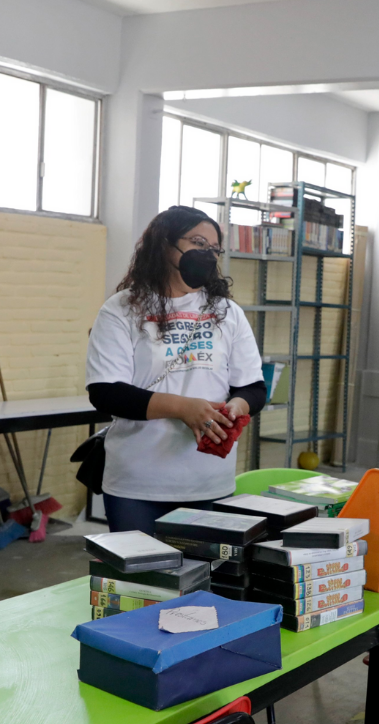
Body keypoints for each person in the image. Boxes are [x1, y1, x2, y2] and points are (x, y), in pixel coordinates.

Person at [85, 205, 266, 533]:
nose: (207, 255)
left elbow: (253, 387)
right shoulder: (121, 310)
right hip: (137, 484)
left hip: (209, 481)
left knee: (205, 580)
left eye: (214, 248)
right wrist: (184, 408)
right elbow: (106, 393)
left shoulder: (228, 312)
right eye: (198, 242)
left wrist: (235, 407)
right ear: (165, 244)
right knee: (142, 583)